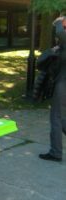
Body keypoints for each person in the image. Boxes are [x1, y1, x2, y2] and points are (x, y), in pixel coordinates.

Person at [39, 16, 66, 162]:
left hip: (63, 84)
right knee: (61, 117)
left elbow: (60, 32)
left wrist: (60, 21)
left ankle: (56, 153)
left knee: (55, 117)